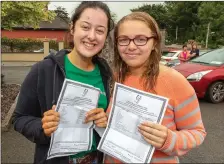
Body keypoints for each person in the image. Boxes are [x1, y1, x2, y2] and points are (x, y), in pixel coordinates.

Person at [12, 2, 114, 164]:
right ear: (73, 28)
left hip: (95, 159)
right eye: (85, 27)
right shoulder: (44, 69)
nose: (92, 36)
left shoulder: (105, 73)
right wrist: (42, 127)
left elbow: (108, 120)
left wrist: (105, 121)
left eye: (100, 30)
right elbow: (19, 118)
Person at [103, 12, 206, 163]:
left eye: (141, 39)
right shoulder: (116, 76)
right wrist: (104, 120)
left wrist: (169, 139)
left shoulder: (175, 82)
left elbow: (197, 133)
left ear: (154, 43)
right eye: (123, 40)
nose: (131, 46)